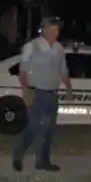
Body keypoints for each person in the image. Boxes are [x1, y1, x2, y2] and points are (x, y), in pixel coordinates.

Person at [12, 16, 73, 172]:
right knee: (33, 127)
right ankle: (18, 154)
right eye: (52, 29)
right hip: (36, 93)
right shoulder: (31, 46)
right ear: (44, 30)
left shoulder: (59, 49)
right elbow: (23, 71)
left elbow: (63, 70)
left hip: (52, 94)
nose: (55, 32)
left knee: (48, 131)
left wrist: (68, 88)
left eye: (57, 29)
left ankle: (43, 161)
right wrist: (26, 92)